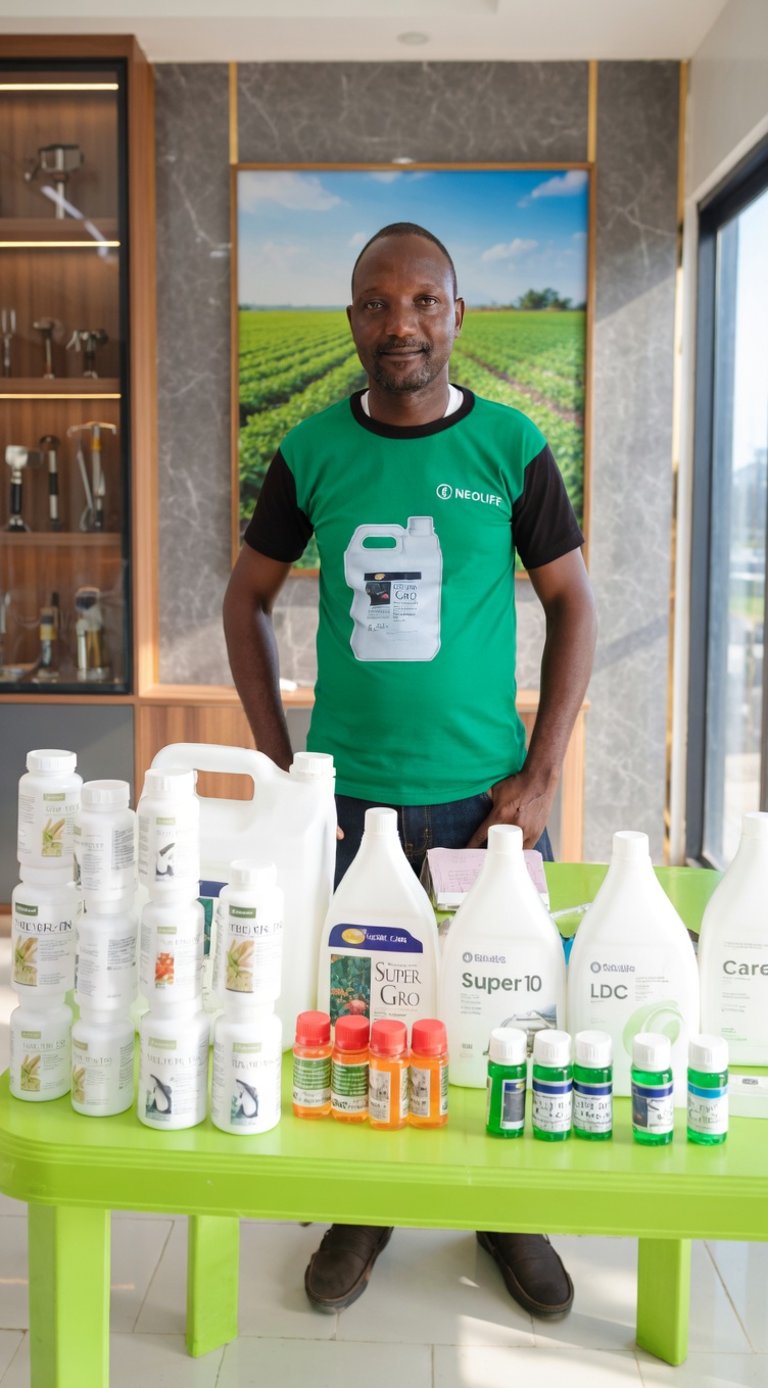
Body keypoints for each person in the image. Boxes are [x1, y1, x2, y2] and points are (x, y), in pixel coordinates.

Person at [223, 222, 597, 1321]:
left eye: (424, 301)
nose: (403, 324)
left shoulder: (511, 446)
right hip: (347, 804)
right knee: (358, 1011)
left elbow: (573, 602)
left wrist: (541, 774)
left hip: (488, 804)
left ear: (456, 316)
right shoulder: (310, 451)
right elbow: (246, 598)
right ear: (352, 321)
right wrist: (280, 763)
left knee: (501, 1011)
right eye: (379, 303)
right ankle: (366, 1202)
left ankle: (508, 1209)